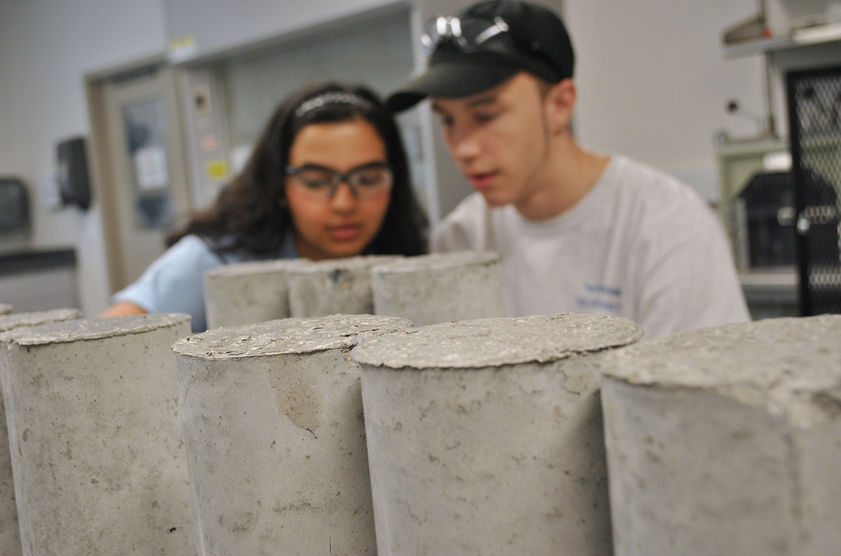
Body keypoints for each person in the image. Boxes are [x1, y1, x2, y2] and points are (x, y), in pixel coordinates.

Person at [386, 0, 749, 338]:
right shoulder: (462, 240)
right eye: (448, 121)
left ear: (560, 104)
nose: (463, 148)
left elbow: (696, 396)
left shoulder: (664, 224)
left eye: (485, 116)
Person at [103, 81, 428, 332]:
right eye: (316, 181)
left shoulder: (406, 256)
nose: (344, 203)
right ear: (279, 184)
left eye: (368, 179)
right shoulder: (216, 260)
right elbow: (112, 344)